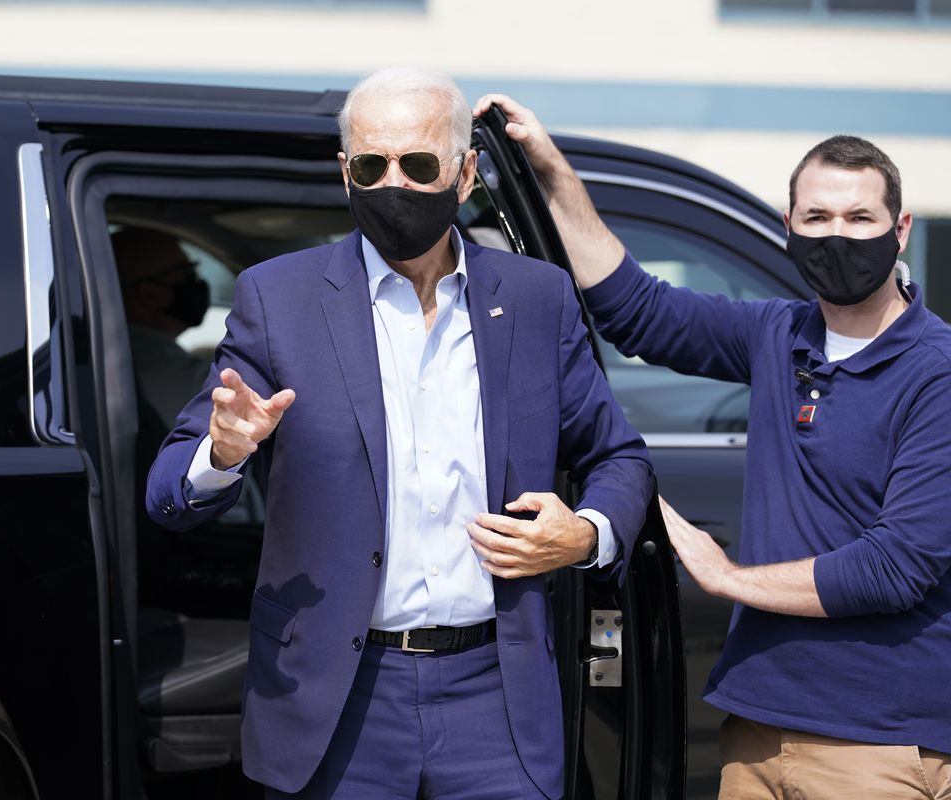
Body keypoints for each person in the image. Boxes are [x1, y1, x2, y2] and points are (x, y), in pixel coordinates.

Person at [146, 67, 652, 799]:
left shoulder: (535, 298)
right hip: (337, 697)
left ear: (466, 172)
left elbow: (618, 457)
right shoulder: (278, 299)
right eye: (370, 166)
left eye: (418, 166)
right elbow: (168, 494)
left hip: (496, 695)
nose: (394, 186)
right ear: (344, 171)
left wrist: (588, 534)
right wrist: (223, 455)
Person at [479, 93, 951, 798]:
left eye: (860, 218)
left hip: (874, 744)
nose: (838, 237)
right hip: (755, 730)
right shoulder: (778, 334)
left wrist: (725, 575)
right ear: (789, 226)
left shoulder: (936, 370)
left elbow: (895, 568)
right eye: (817, 218)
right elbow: (634, 308)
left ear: (901, 229)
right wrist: (551, 172)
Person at [113, 226, 212, 432]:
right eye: (187, 274)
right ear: (150, 294)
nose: (197, 283)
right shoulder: (192, 380)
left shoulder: (107, 357)